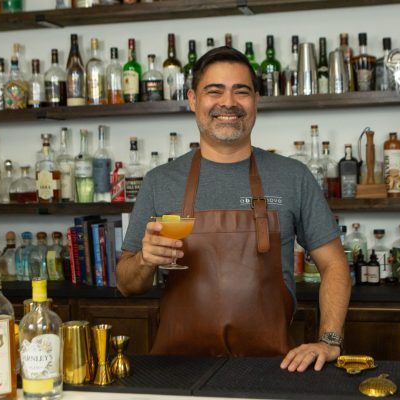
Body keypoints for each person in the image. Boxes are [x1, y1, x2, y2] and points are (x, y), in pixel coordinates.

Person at [116, 46, 351, 372]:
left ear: (256, 101)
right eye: (214, 91)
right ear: (193, 100)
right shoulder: (160, 182)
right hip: (177, 371)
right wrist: (144, 260)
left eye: (241, 91)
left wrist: (329, 340)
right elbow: (127, 284)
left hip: (271, 370)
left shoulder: (292, 177)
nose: (228, 102)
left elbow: (335, 265)